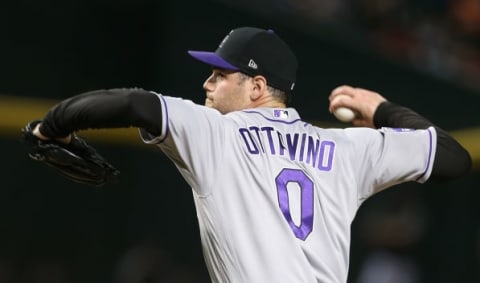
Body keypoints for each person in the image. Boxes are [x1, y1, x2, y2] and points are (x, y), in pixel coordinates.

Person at [27, 26, 471, 283]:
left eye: (220, 75)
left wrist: (52, 126)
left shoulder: (216, 133)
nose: (207, 83)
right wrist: (381, 109)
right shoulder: (346, 147)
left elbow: (134, 103)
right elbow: (453, 157)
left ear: (257, 87)